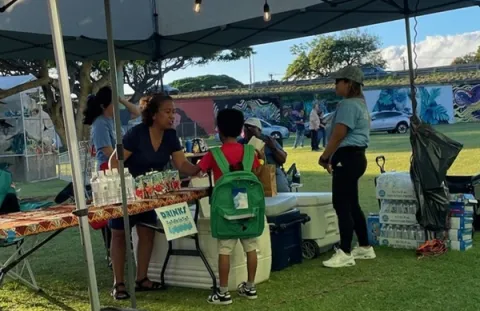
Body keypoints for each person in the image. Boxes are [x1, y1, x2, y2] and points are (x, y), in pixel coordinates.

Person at [108, 93, 201, 300]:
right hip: (127, 194)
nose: (172, 116)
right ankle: (119, 283)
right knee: (119, 235)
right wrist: (127, 185)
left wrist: (200, 168)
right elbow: (114, 162)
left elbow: (182, 164)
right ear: (153, 114)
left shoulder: (170, 136)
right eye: (167, 112)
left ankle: (142, 279)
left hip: (152, 195)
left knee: (147, 233)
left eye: (174, 112)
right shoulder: (136, 134)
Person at [197, 109, 261, 305]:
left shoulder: (214, 154)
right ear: (241, 129)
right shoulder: (250, 152)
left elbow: (199, 170)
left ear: (219, 131)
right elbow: (256, 170)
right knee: (251, 248)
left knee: (224, 250)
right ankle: (250, 287)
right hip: (249, 209)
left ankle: (223, 292)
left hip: (225, 211)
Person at [318, 66, 376, 268]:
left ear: (348, 83)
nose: (335, 85)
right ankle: (365, 246)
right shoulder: (361, 104)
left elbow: (338, 134)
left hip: (347, 155)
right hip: (357, 157)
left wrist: (325, 156)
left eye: (338, 81)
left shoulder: (348, 105)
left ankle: (345, 251)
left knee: (341, 204)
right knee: (352, 203)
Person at [83, 86, 140, 170]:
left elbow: (136, 112)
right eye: (113, 103)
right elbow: (108, 152)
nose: (117, 106)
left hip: (120, 164)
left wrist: (121, 99)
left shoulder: (116, 117)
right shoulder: (100, 123)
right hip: (108, 169)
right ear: (103, 106)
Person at [241, 118, 290, 193]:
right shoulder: (241, 143)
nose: (248, 130)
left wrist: (273, 147)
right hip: (249, 173)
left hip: (272, 171)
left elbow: (283, 159)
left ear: (259, 130)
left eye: (252, 128)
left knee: (282, 190)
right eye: (246, 128)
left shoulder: (268, 140)